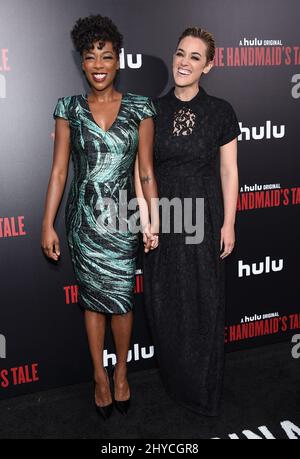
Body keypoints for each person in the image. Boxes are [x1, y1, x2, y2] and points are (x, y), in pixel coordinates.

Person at [40, 14, 159, 420]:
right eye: (90, 57)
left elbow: (144, 171)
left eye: (106, 56)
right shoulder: (68, 108)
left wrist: (151, 218)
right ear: (82, 61)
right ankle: (99, 377)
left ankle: (122, 372)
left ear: (118, 59)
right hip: (84, 221)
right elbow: (59, 171)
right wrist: (47, 223)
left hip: (124, 217)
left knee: (122, 302)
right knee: (93, 303)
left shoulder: (141, 107)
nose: (98, 65)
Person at [143, 27, 241, 416]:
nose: (184, 62)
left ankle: (204, 388)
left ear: (209, 66)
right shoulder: (151, 109)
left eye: (195, 57)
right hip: (165, 213)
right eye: (180, 53)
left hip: (204, 213)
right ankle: (176, 381)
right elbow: (143, 168)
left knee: (205, 301)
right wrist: (147, 219)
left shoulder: (221, 111)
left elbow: (230, 171)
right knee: (166, 302)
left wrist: (229, 223)